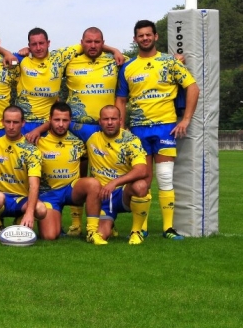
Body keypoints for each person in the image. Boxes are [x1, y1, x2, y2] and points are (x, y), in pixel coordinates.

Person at [116, 20, 200, 240]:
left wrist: (186, 120)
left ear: (156, 36)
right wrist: (122, 129)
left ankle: (168, 229)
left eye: (148, 35)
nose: (144, 38)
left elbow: (192, 87)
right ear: (135, 39)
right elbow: (121, 100)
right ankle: (140, 227)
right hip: (137, 130)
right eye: (140, 36)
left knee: (165, 178)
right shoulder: (128, 67)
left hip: (165, 128)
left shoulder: (170, 63)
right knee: (142, 181)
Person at [62, 27, 123, 236]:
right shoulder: (70, 60)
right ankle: (77, 222)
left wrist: (113, 49)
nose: (93, 46)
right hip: (77, 127)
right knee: (77, 174)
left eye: (98, 42)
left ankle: (106, 220)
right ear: (82, 42)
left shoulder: (114, 61)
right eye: (89, 42)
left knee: (105, 175)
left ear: (103, 42)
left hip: (104, 126)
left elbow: (142, 62)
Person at [16, 27, 124, 144]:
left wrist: (115, 50)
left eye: (41, 43)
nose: (38, 47)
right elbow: (7, 58)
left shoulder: (60, 57)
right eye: (34, 44)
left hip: (101, 122)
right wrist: (25, 51)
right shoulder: (22, 60)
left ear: (48, 43)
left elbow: (92, 44)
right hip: (65, 124)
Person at [36, 102, 102, 241]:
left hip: (70, 190)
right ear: (50, 119)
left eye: (65, 120)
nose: (61, 124)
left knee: (93, 184)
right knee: (49, 236)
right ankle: (54, 218)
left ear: (70, 121)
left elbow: (85, 160)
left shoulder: (78, 141)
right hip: (49, 193)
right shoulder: (38, 140)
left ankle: (92, 231)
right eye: (57, 120)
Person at [86, 106, 150, 245]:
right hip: (102, 196)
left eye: (113, 119)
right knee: (101, 235)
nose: (110, 122)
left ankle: (136, 232)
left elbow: (142, 170)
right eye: (106, 119)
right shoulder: (91, 137)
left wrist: (114, 183)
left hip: (122, 193)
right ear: (100, 121)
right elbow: (64, 122)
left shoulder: (131, 140)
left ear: (120, 120)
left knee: (141, 186)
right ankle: (109, 224)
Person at [0, 106, 47, 239]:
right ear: (2, 122)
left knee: (41, 210)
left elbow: (34, 184)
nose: (11, 126)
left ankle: (20, 220)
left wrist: (29, 212)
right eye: (8, 122)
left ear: (23, 123)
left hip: (21, 199)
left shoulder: (31, 150)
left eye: (15, 122)